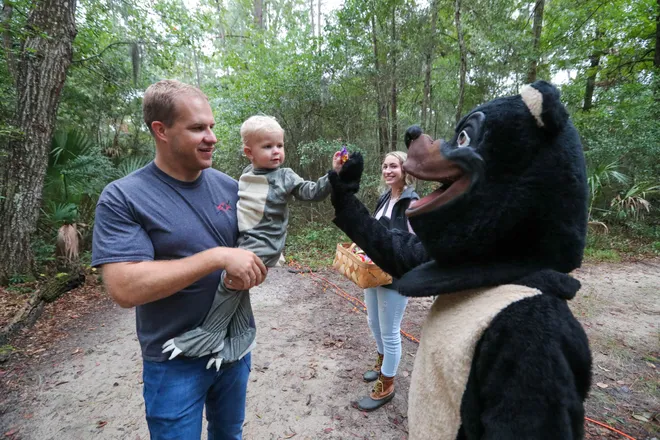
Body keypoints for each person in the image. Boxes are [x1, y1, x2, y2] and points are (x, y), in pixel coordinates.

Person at [92, 79, 267, 440]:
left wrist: (253, 266)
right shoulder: (125, 197)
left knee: (229, 435)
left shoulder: (230, 187)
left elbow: (253, 251)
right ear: (161, 130)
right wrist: (216, 258)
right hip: (173, 362)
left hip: (233, 349)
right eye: (197, 128)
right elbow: (124, 287)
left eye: (212, 127)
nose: (212, 138)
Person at [162, 114, 344, 370]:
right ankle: (240, 338)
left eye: (279, 146)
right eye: (267, 147)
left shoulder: (285, 176)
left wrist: (334, 174)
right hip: (246, 240)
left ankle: (209, 334)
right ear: (249, 152)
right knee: (239, 286)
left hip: (264, 244)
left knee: (231, 281)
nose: (276, 152)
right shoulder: (247, 174)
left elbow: (311, 192)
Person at [358, 151, 419, 411]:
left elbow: (415, 242)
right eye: (384, 166)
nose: (387, 171)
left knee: (390, 330)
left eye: (393, 166)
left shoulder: (412, 201)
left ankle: (387, 384)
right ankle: (382, 363)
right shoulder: (386, 197)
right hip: (374, 270)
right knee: (373, 321)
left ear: (405, 169)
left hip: (395, 275)